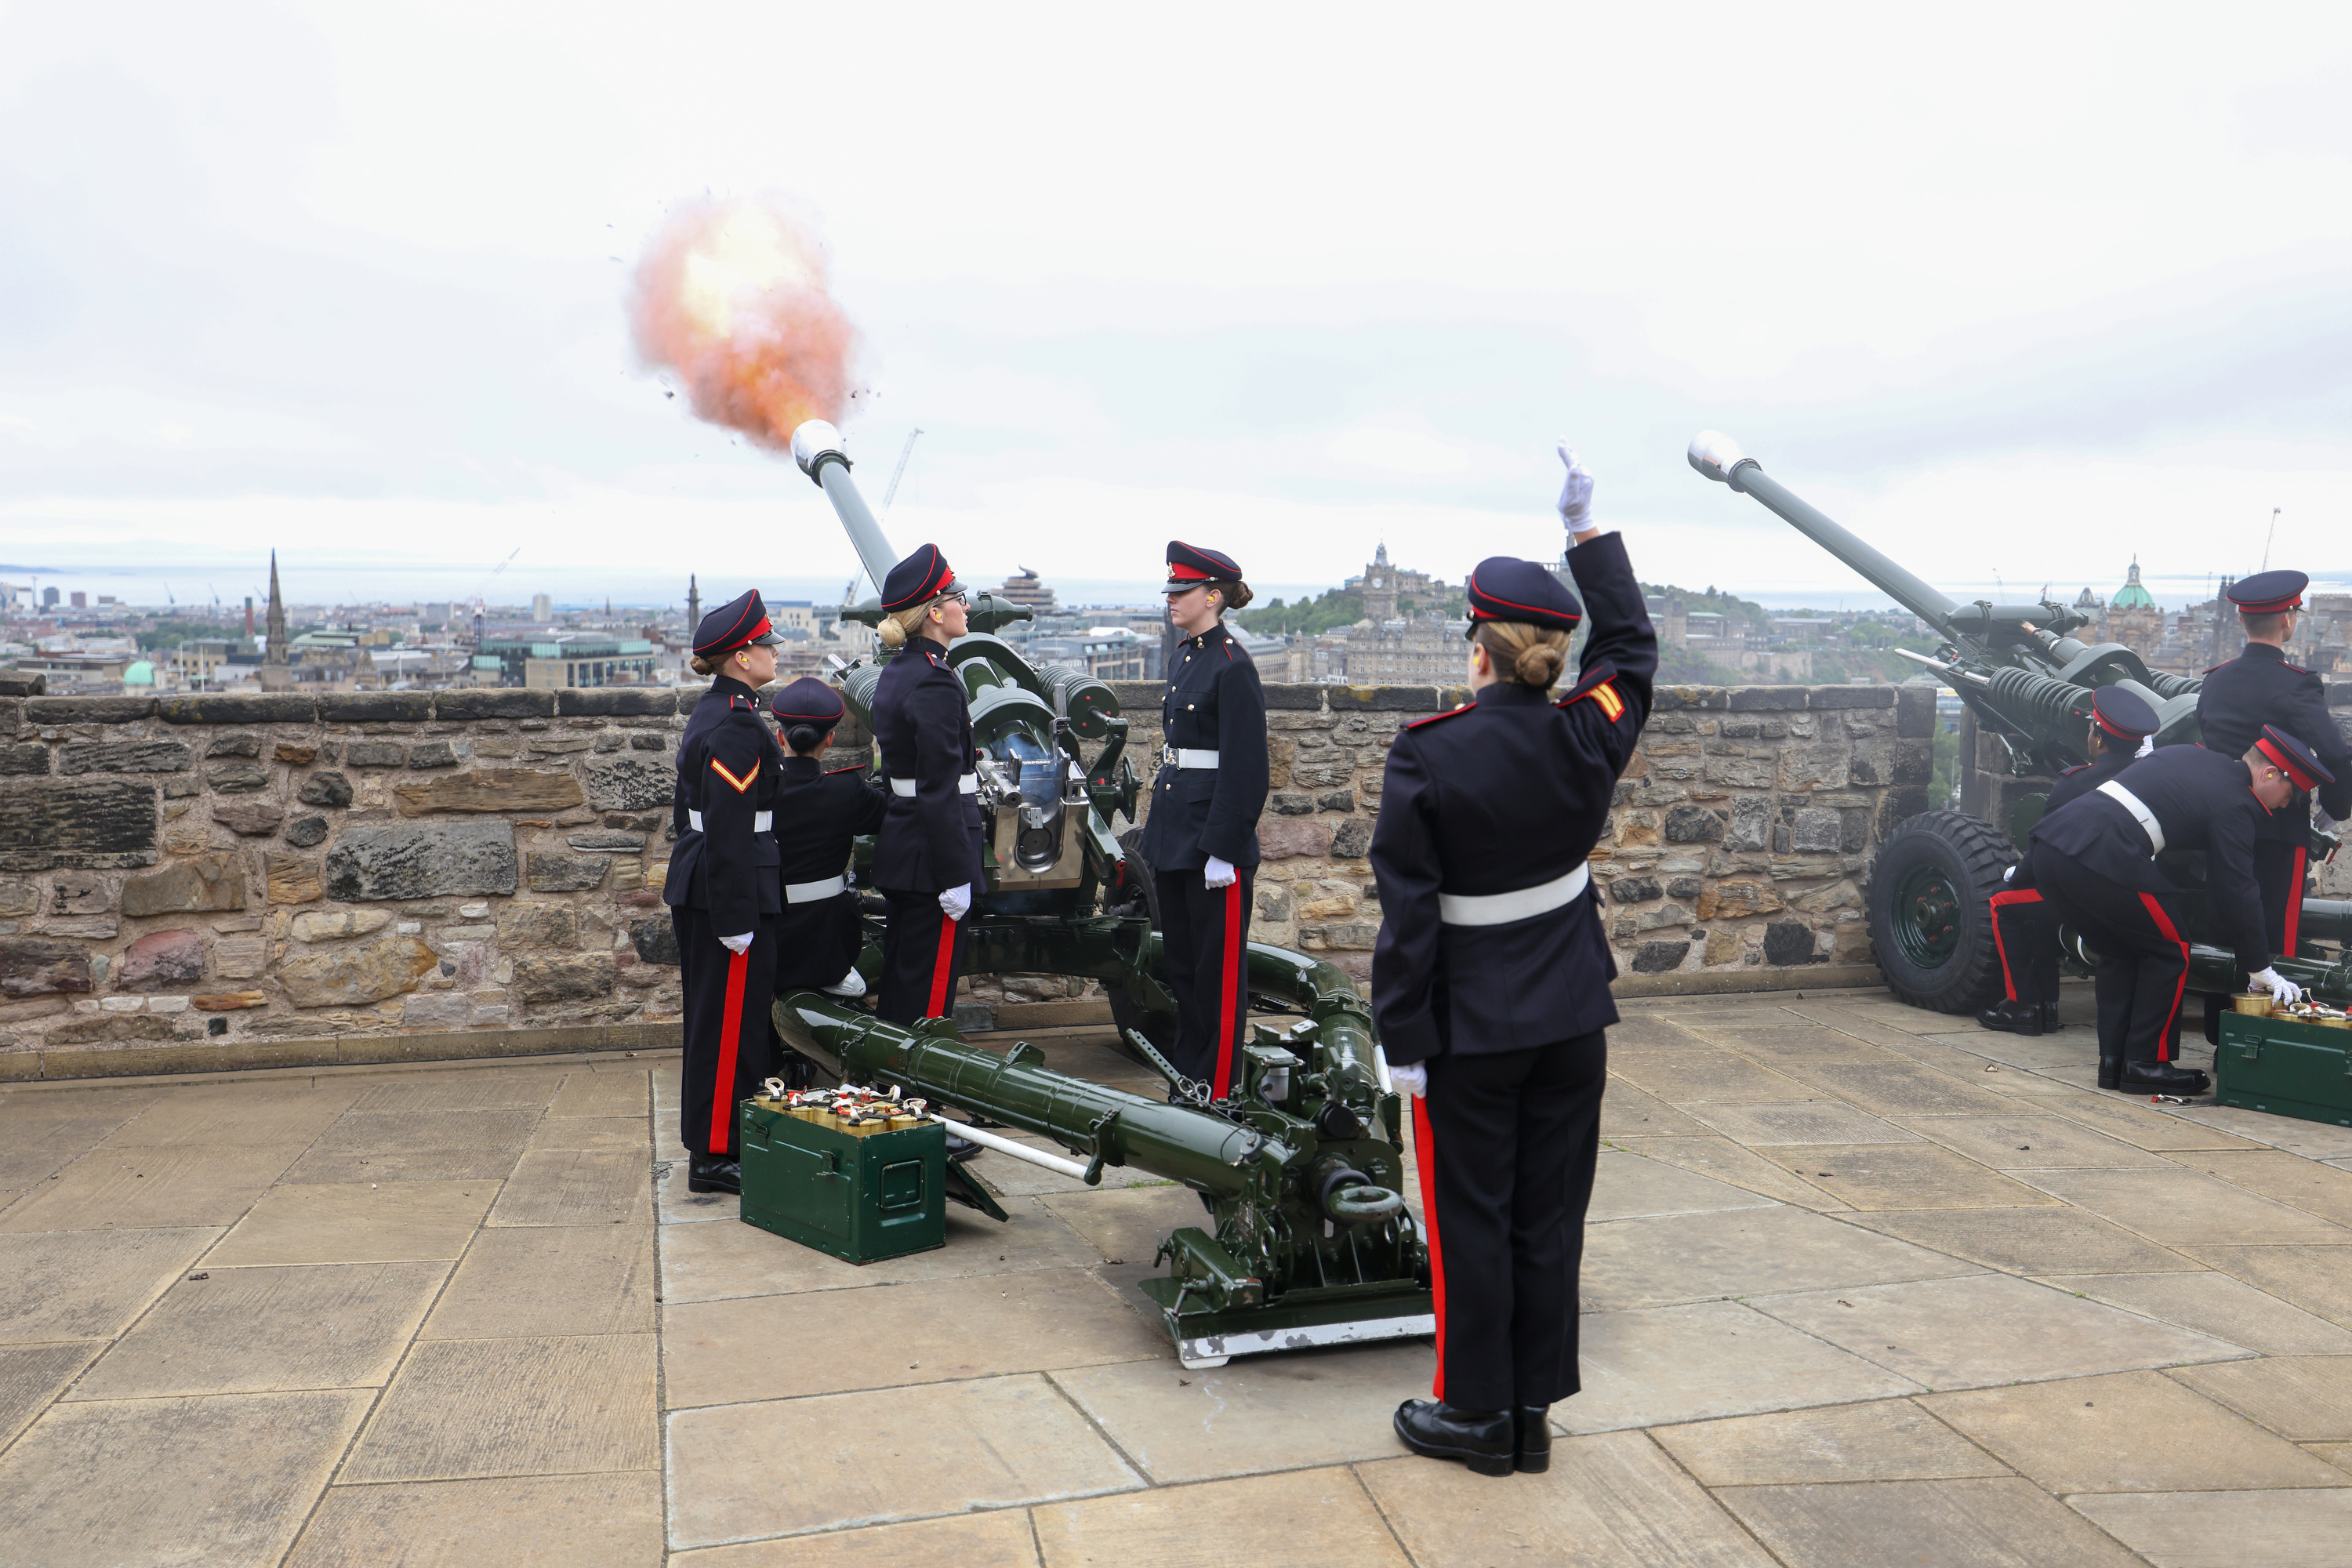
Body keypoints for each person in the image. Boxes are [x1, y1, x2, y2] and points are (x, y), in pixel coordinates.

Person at [1372, 444, 1655, 1479]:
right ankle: (1531, 1412)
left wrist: (1401, 1035)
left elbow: (1408, 913)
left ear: (1478, 650)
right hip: (1574, 1017)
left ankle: (1475, 1414)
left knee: (1471, 1222)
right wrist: (1589, 533)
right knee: (1550, 1219)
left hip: (1471, 1029)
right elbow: (1632, 644)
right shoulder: (1594, 733)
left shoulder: (1429, 751)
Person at [2024, 724, 2330, 1094]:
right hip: (2103, 855)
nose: (2284, 805)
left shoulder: (2189, 754)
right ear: (2269, 774)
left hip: (2051, 849)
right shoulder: (2237, 803)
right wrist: (2260, 967)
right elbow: (2238, 887)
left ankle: (2115, 1062)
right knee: (2170, 952)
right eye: (2290, 794)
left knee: (2121, 952)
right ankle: (2146, 1064)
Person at [1137, 540, 1269, 1101]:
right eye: (1170, 590)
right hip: (1175, 832)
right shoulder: (1184, 656)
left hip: (1213, 842)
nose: (1171, 599)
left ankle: (1215, 1090)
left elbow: (1247, 767)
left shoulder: (1234, 666)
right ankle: (1187, 1080)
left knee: (1218, 977)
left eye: (1181, 591)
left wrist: (1223, 845)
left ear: (1212, 597)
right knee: (1185, 970)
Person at [664, 590, 786, 1195]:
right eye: (765, 644)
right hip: (728, 892)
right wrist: (736, 914)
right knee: (728, 1026)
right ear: (742, 656)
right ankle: (715, 1155)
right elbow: (731, 828)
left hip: (710, 882)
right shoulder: (737, 724)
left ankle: (718, 1143)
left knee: (720, 1021)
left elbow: (695, 819)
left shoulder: (718, 712)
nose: (772, 652)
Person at [1980, 686, 2160, 1037]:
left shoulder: (2075, 783)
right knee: (2046, 902)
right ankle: (2046, 1005)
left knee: (2004, 904)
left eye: (2092, 729)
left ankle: (2023, 1006)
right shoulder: (2151, 781)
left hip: (2088, 898)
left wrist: (2015, 877)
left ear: (2098, 739)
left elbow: (2042, 847)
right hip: (2134, 893)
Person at [2195, 571, 2352, 959]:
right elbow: (2335, 751)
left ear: (2240, 620)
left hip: (2220, 822)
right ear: (2288, 619)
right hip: (2278, 828)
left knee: (2225, 936)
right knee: (2274, 936)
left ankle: (2221, 1019)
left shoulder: (2215, 681)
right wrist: (2338, 806)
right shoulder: (2297, 683)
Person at [869, 544, 985, 1026]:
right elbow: (939, 787)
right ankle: (911, 1095)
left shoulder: (898, 672)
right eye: (957, 597)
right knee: (928, 1003)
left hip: (907, 847)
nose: (967, 605)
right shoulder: (936, 682)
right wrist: (956, 874)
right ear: (935, 612)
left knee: (904, 980)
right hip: (932, 861)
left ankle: (890, 1092)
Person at [766, 677, 887, 1016]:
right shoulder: (847, 790)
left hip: (770, 938)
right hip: (828, 945)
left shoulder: (758, 793)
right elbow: (893, 812)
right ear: (830, 740)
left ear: (780, 738)